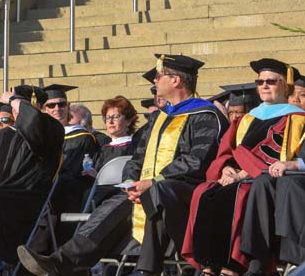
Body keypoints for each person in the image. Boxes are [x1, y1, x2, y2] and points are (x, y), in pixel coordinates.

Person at [18, 53, 229, 276]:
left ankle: (145, 271)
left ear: (176, 80)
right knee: (115, 204)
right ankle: (62, 262)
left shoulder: (205, 115)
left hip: (187, 193)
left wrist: (152, 182)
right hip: (151, 191)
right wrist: (131, 182)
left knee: (157, 192)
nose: (155, 81)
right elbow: (136, 158)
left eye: (159, 76)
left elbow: (197, 161)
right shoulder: (159, 118)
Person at [182, 59, 305, 276]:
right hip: (239, 176)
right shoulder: (247, 118)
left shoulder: (297, 119)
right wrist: (226, 168)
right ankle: (209, 264)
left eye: (271, 81)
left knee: (240, 193)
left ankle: (235, 265)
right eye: (260, 82)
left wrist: (246, 172)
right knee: (205, 191)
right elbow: (227, 151)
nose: (264, 86)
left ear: (286, 85)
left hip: (266, 179)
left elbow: (286, 159)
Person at [0, 89, 64, 275]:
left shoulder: (50, 128)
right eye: (14, 107)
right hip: (6, 191)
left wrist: (13, 98)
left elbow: (32, 120)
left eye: (19, 106)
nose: (15, 110)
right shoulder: (4, 134)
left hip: (31, 193)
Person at [41, 85, 98, 231]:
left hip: (70, 189)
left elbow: (71, 170)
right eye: (51, 105)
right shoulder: (41, 137)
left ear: (68, 107)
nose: (57, 108)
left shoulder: (82, 138)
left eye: (61, 104)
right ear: (44, 109)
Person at [82, 96, 138, 208]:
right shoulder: (102, 149)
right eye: (107, 118)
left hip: (122, 194)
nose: (110, 121)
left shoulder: (136, 147)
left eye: (115, 117)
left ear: (128, 121)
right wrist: (95, 175)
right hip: (100, 192)